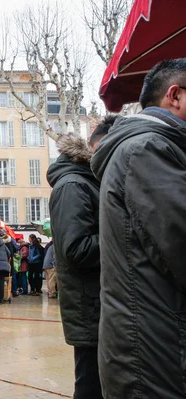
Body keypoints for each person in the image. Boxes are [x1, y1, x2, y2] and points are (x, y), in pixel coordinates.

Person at [91, 59, 186, 399]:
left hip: (149, 342)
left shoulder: (152, 148)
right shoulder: (147, 150)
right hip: (155, 348)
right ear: (175, 96)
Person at [48, 123, 112, 399]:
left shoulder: (86, 181)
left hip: (98, 302)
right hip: (90, 305)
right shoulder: (73, 185)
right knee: (90, 384)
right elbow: (76, 249)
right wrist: (121, 236)